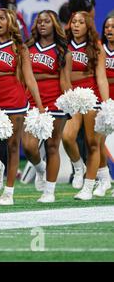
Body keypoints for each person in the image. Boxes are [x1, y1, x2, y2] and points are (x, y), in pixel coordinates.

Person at [0, 8, 44, 205]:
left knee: (13, 146)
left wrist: (39, 105)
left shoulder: (19, 47)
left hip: (13, 100)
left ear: (11, 23)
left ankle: (8, 192)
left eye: (2, 19)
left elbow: (29, 78)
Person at [21, 10, 72, 203]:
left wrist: (70, 102)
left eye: (47, 22)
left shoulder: (62, 51)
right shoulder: (28, 48)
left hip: (55, 99)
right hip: (32, 100)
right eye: (39, 21)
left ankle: (49, 192)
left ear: (55, 25)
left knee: (52, 146)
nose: (42, 24)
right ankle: (40, 168)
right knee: (28, 146)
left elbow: (65, 80)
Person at [62, 11, 109, 200]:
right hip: (72, 98)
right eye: (74, 22)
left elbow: (101, 77)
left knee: (92, 143)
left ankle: (88, 187)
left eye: (81, 22)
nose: (76, 26)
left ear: (88, 25)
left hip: (91, 98)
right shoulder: (64, 46)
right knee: (67, 137)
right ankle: (78, 165)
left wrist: (106, 104)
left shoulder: (96, 48)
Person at [93, 15, 114, 197]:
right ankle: (104, 178)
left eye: (113, 27)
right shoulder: (99, 48)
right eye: (107, 26)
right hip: (103, 100)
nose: (110, 30)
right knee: (97, 141)